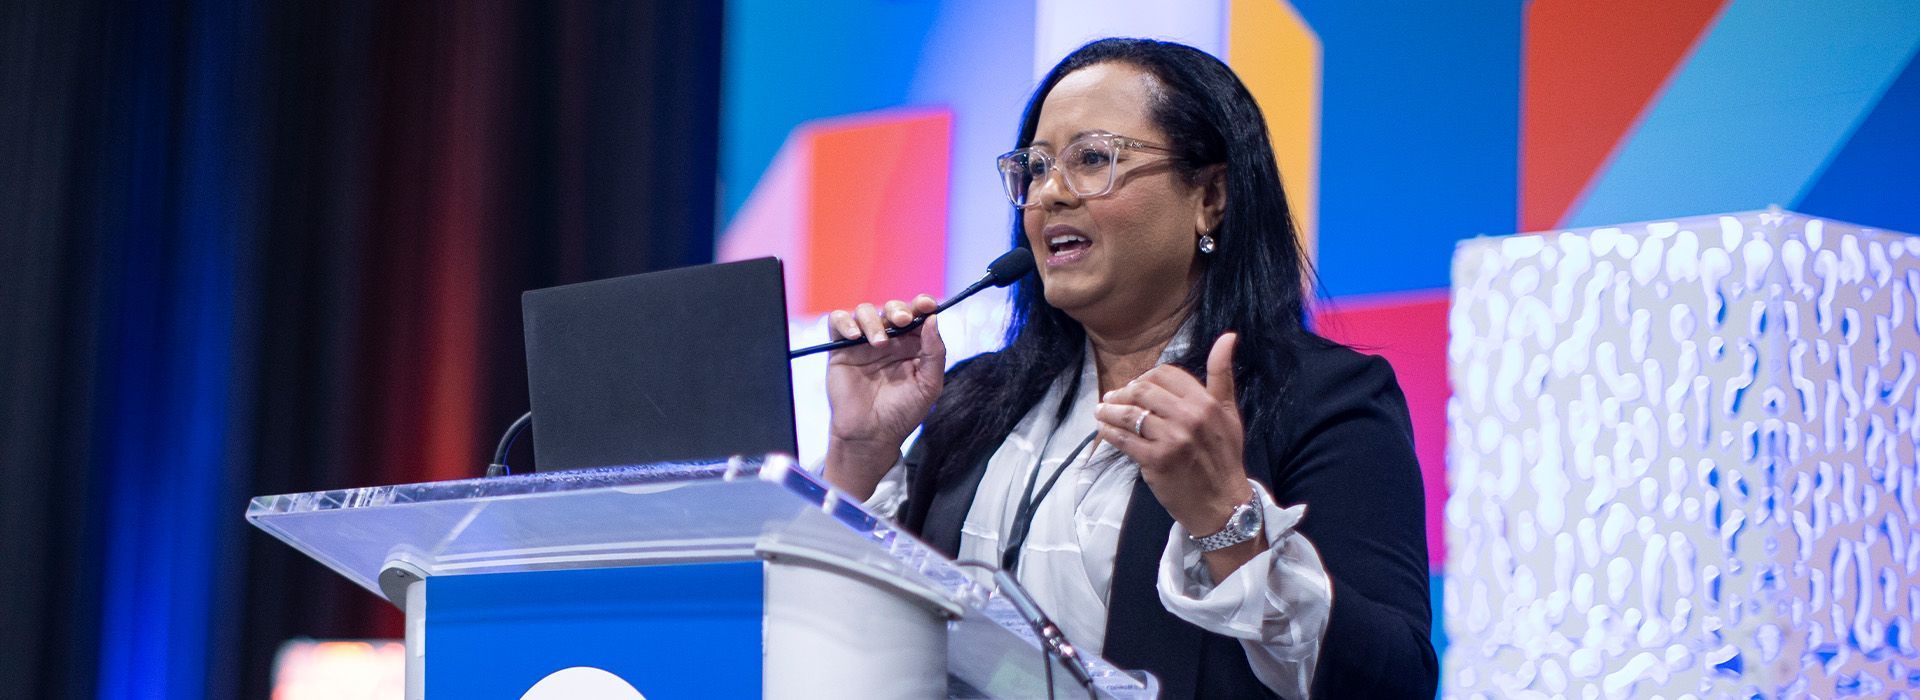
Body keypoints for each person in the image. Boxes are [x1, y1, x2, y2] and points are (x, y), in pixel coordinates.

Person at [818, 38, 1437, 699]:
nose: (1049, 194)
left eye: (1092, 160)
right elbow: (861, 639)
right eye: (1035, 167)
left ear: (1210, 197)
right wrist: (863, 452)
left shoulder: (1321, 398)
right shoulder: (973, 399)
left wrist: (1227, 523)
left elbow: (1393, 680)